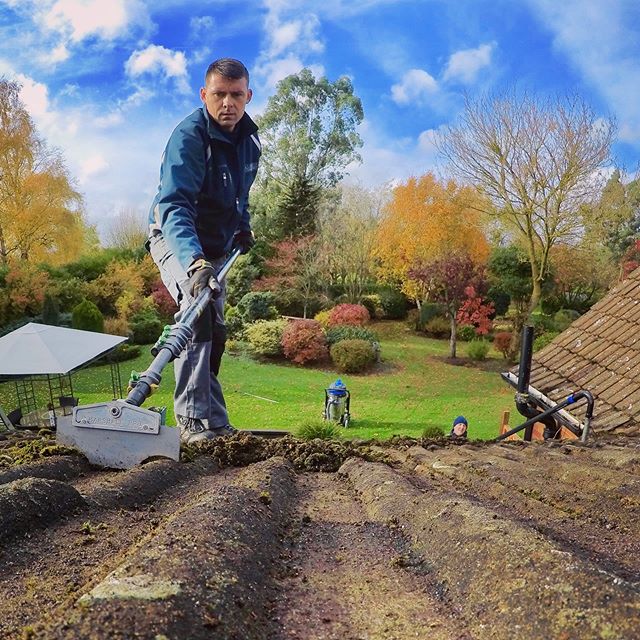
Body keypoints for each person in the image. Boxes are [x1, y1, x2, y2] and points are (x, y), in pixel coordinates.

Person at [147, 58, 261, 444]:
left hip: (215, 248)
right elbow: (175, 205)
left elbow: (239, 195)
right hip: (175, 239)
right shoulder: (190, 137)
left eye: (236, 94)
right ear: (204, 95)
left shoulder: (251, 142)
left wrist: (242, 227)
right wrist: (194, 263)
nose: (227, 103)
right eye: (219, 94)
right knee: (197, 319)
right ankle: (192, 422)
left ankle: (215, 420)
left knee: (218, 332)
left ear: (248, 95)